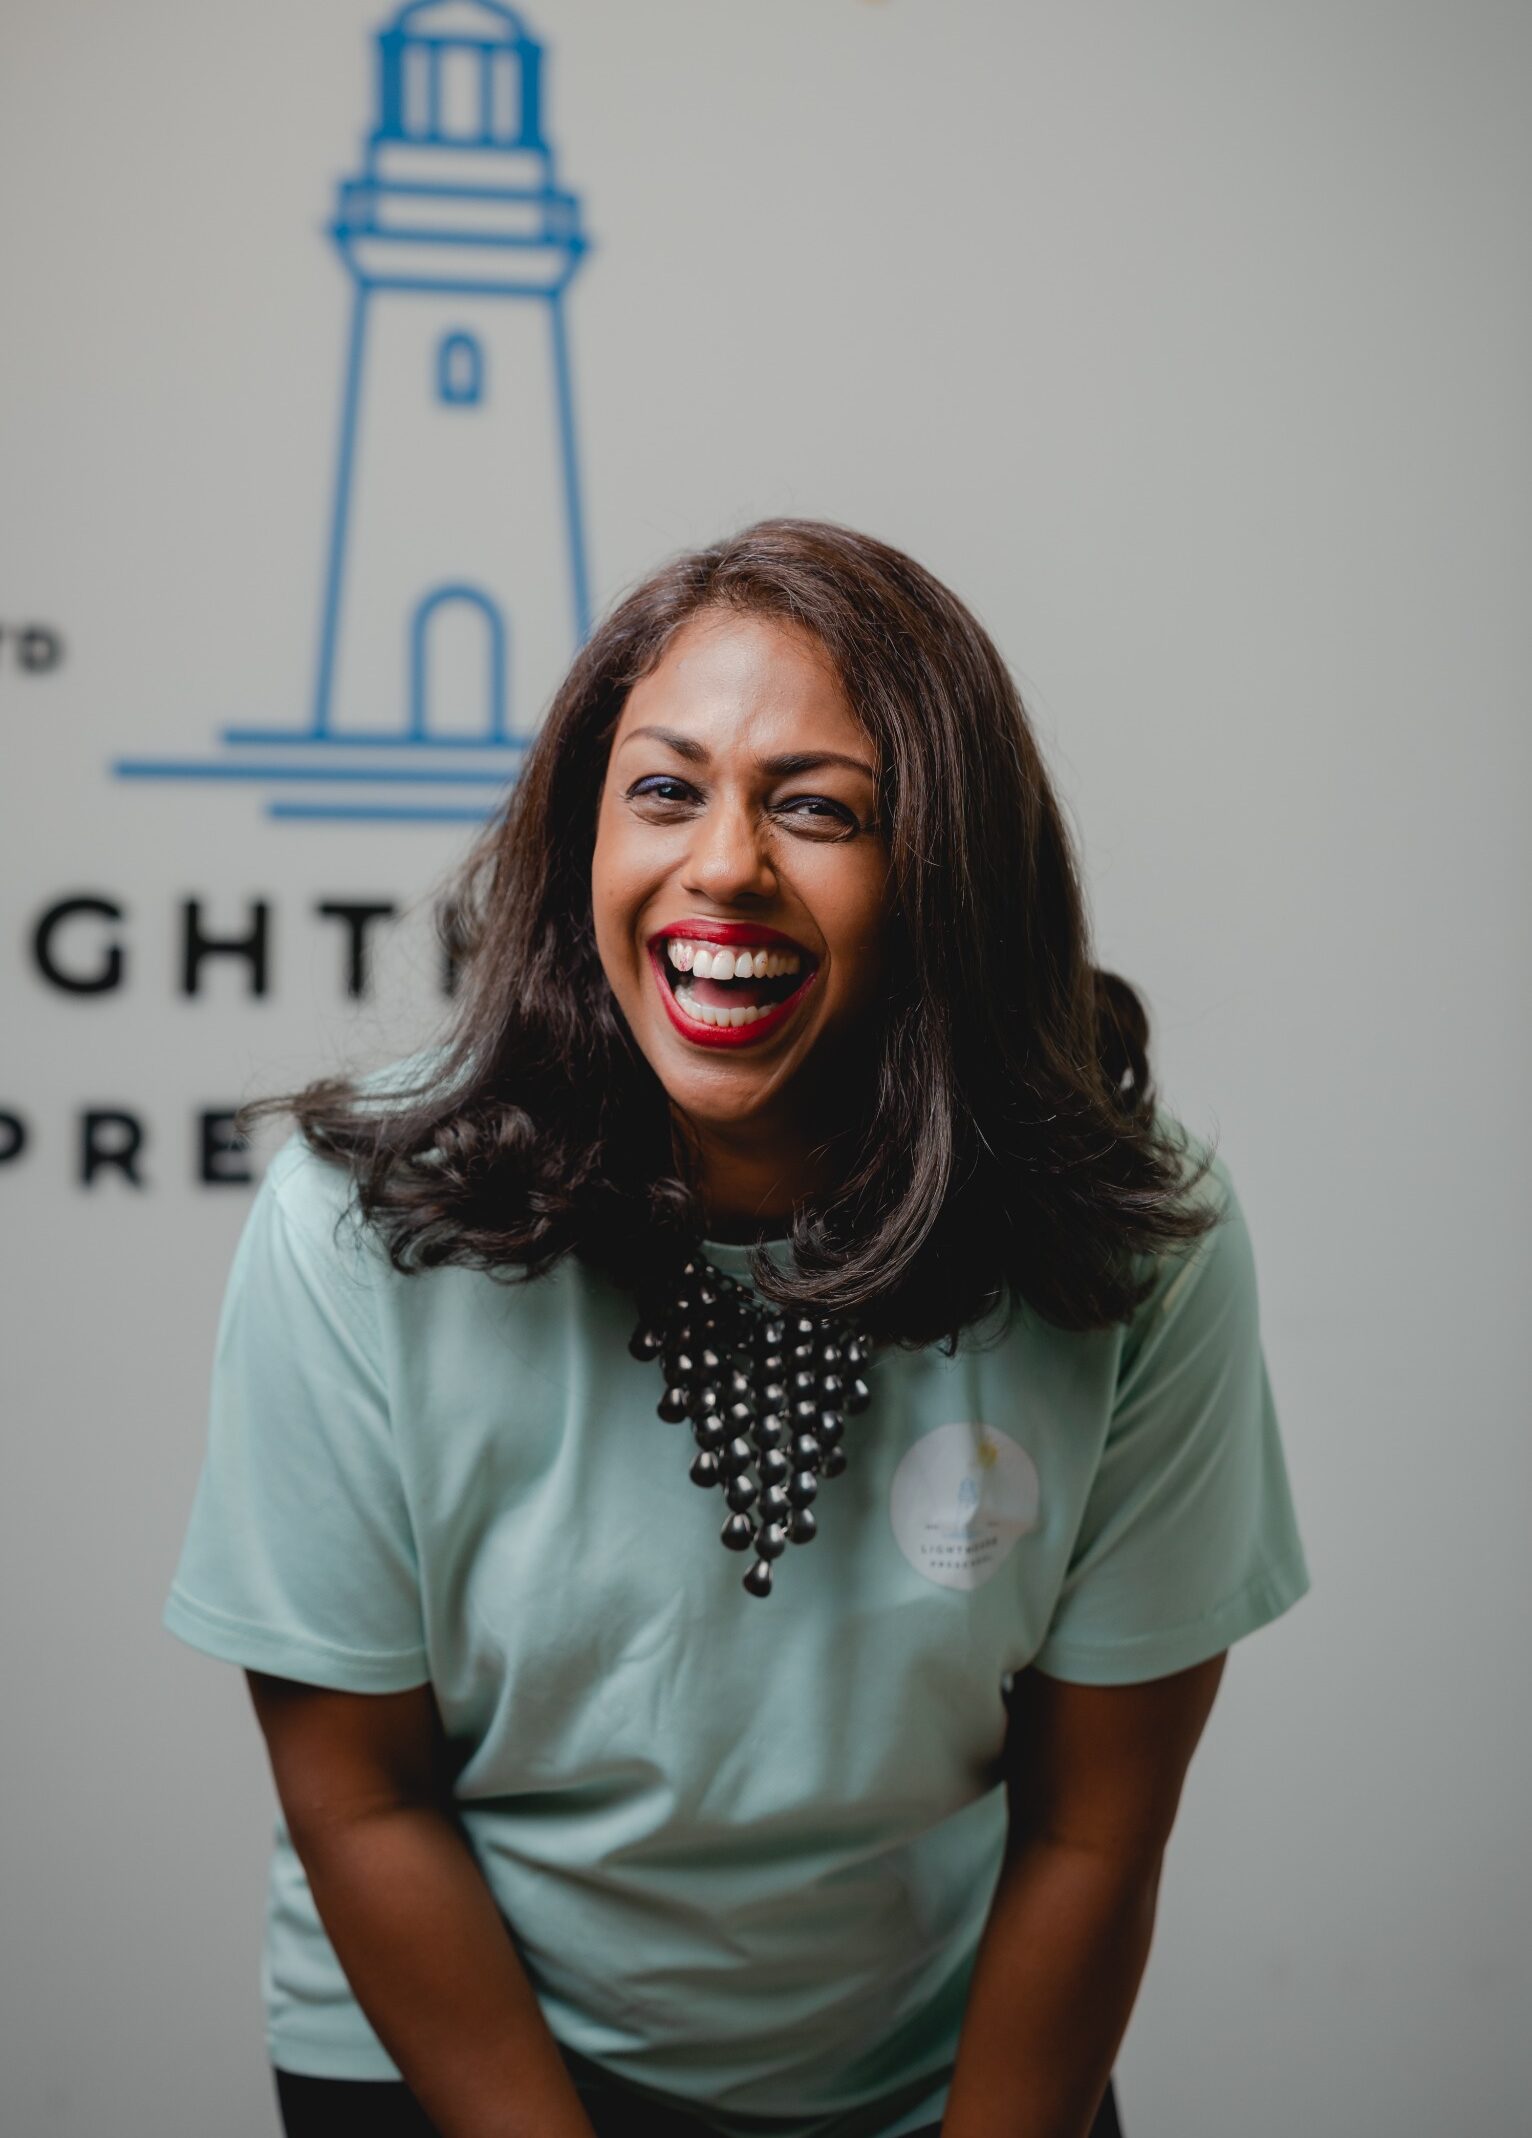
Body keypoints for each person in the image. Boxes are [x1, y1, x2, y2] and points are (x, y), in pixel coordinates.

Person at [162, 519, 1310, 2138]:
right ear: (583, 835)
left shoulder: (1132, 1241)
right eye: (663, 789)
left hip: (935, 2073)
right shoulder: (359, 1224)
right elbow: (361, 1795)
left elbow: (1091, 1831)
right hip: (454, 2052)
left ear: (952, 875)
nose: (723, 865)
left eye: (818, 807)